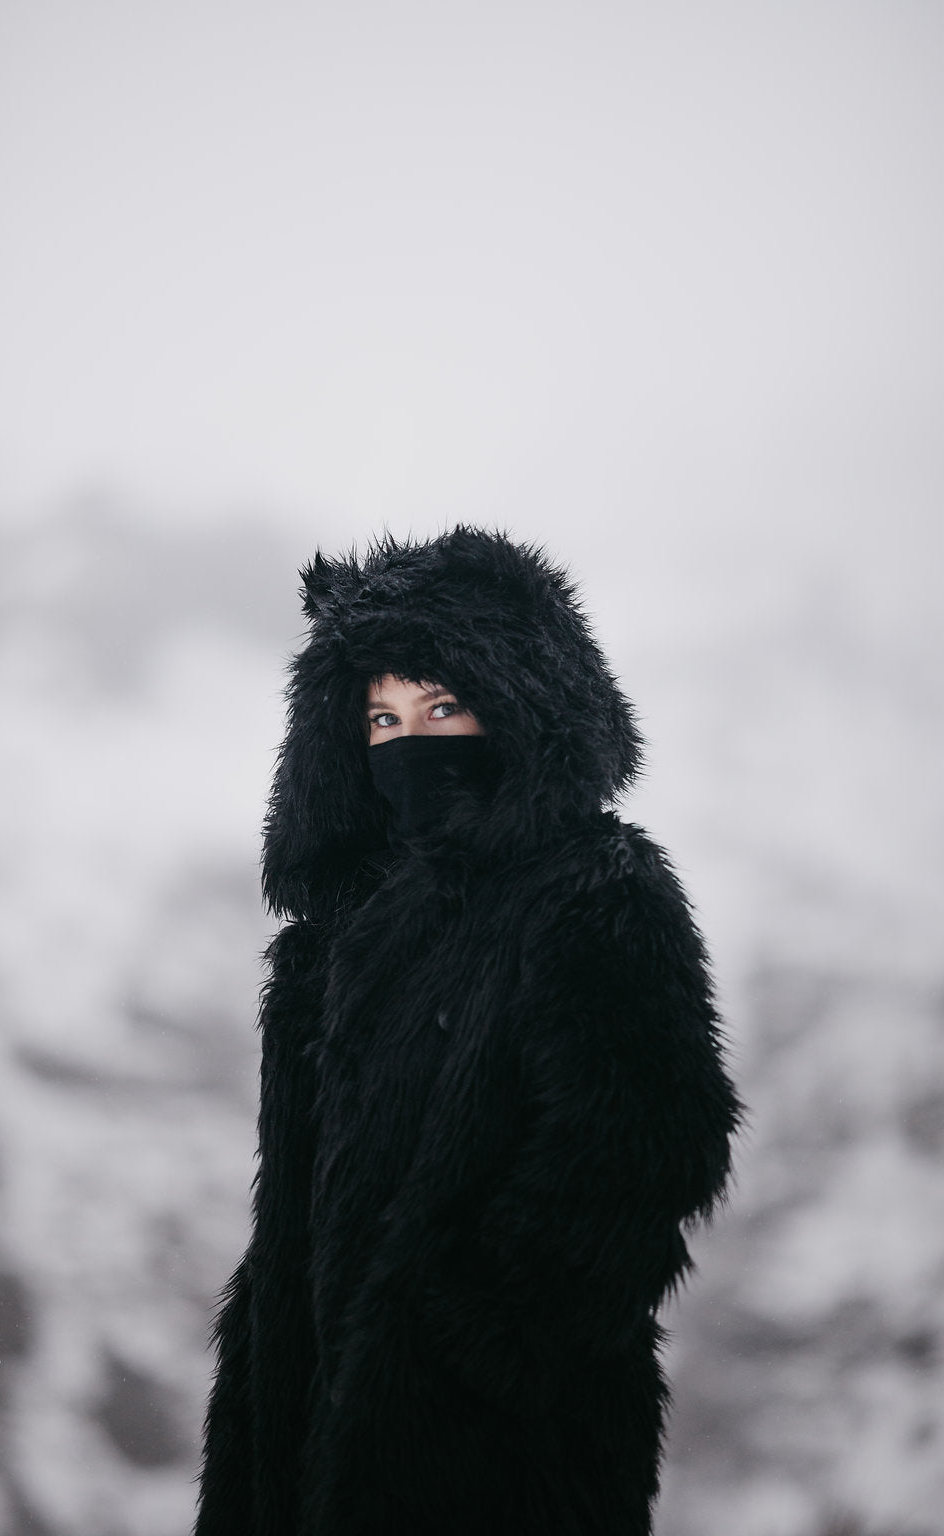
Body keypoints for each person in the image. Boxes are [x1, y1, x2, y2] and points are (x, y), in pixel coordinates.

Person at [194, 526, 741, 1536]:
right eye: (382, 717)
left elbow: (649, 1148)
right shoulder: (332, 942)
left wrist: (459, 1344)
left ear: (522, 708)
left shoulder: (597, 890)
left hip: (498, 1454)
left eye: (442, 706)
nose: (409, 744)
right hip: (300, 1418)